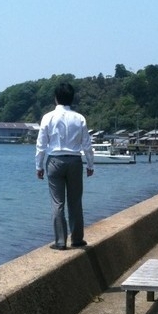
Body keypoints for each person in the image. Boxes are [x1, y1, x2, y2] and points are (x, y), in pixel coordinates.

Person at [35, 82, 94, 250]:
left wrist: (39, 167)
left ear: (55, 98)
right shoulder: (79, 118)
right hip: (75, 162)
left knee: (57, 202)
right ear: (72, 98)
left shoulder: (47, 117)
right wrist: (90, 164)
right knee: (75, 202)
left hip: (54, 161)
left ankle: (60, 242)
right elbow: (87, 145)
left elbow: (41, 145)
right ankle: (77, 239)